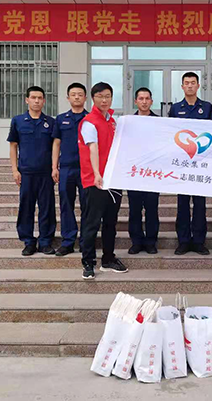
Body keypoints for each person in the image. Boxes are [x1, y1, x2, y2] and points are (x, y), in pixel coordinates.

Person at [78, 82, 128, 280]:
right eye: (100, 96)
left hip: (113, 180)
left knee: (110, 222)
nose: (104, 100)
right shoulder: (89, 122)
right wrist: (97, 173)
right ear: (93, 99)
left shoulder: (113, 121)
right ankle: (88, 262)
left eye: (108, 96)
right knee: (91, 223)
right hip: (95, 180)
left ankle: (108, 259)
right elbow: (93, 149)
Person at [168, 72, 212, 256]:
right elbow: (170, 134)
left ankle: (199, 241)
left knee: (200, 205)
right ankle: (183, 241)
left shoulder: (207, 107)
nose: (189, 86)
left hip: (200, 164)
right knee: (182, 204)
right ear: (182, 86)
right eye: (186, 83)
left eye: (192, 83)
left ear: (198, 86)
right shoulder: (175, 108)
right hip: (182, 164)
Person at [7, 86, 56, 256]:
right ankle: (28, 241)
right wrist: (15, 170)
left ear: (44, 101)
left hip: (45, 173)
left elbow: (56, 147)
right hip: (26, 172)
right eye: (33, 97)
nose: (36, 101)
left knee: (47, 208)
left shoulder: (51, 122)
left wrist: (54, 168)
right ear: (26, 100)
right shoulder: (18, 121)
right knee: (26, 208)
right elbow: (13, 146)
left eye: (40, 98)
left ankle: (45, 242)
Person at [51, 83, 88, 257]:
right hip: (66, 168)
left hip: (86, 169)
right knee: (66, 205)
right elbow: (56, 143)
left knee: (88, 206)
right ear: (68, 98)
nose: (77, 97)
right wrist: (54, 167)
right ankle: (68, 241)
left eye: (80, 94)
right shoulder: (60, 119)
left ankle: (86, 241)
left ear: (85, 98)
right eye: (73, 94)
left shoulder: (91, 118)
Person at [127, 87, 160, 255]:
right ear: (136, 101)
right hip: (135, 173)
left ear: (151, 101)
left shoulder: (159, 122)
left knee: (152, 209)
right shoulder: (128, 123)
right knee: (134, 210)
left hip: (153, 173)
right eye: (141, 98)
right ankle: (136, 242)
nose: (144, 102)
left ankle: (151, 242)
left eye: (147, 99)